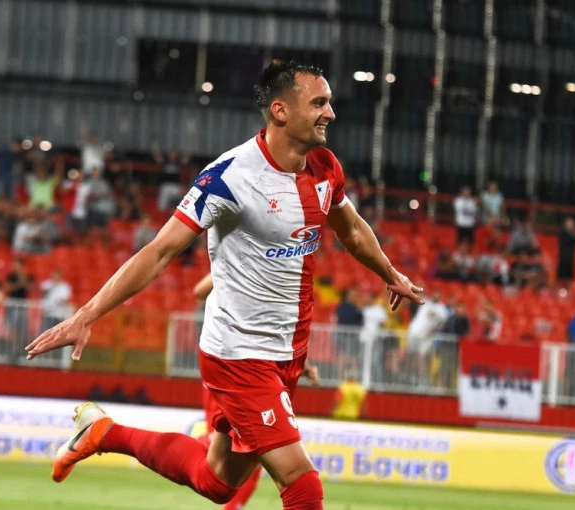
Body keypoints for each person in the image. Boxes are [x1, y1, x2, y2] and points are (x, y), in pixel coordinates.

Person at [25, 60, 423, 510]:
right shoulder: (230, 177)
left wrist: (390, 274)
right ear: (280, 111)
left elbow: (351, 230)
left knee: (217, 481)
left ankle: (103, 433)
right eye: (319, 103)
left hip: (287, 352)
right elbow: (159, 251)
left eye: (328, 103)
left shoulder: (325, 167)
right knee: (302, 484)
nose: (330, 113)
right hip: (239, 355)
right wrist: (86, 315)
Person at [193, 274, 320, 510]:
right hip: (230, 364)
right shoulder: (238, 265)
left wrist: (302, 364)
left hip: (248, 364)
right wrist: (229, 270)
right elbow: (199, 290)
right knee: (240, 458)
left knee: (233, 468)